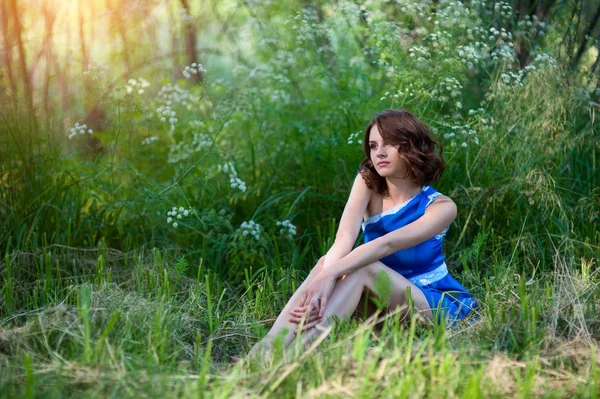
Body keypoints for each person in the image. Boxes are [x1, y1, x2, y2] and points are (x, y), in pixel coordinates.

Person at [244, 109, 478, 360]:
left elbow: (387, 244)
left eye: (389, 144)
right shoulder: (367, 183)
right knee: (328, 261)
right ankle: (268, 348)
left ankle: (296, 356)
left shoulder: (441, 207)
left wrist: (329, 276)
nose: (379, 152)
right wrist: (322, 277)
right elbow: (343, 240)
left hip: (430, 304)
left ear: (413, 146)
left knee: (361, 267)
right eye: (373, 145)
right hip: (379, 303)